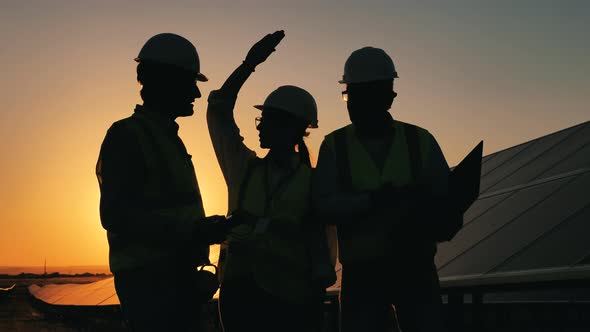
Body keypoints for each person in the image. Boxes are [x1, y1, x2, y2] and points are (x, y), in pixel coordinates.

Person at [313, 47, 463, 331]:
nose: (351, 104)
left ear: (387, 97)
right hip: (362, 274)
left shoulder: (420, 141)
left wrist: (439, 218)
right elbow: (322, 206)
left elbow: (448, 201)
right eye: (349, 95)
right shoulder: (335, 145)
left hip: (414, 268)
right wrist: (374, 201)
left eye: (358, 96)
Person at [96, 33, 238, 332]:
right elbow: (116, 215)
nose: (197, 95)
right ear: (165, 80)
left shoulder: (166, 139)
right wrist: (195, 230)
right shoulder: (129, 136)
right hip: (151, 286)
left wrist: (205, 230)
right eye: (191, 83)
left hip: (175, 281)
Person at [207, 31, 335, 332]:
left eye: (269, 121)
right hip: (241, 297)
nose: (261, 127)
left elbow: (323, 250)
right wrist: (248, 65)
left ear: (295, 128)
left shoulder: (313, 181)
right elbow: (219, 109)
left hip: (292, 303)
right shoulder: (244, 169)